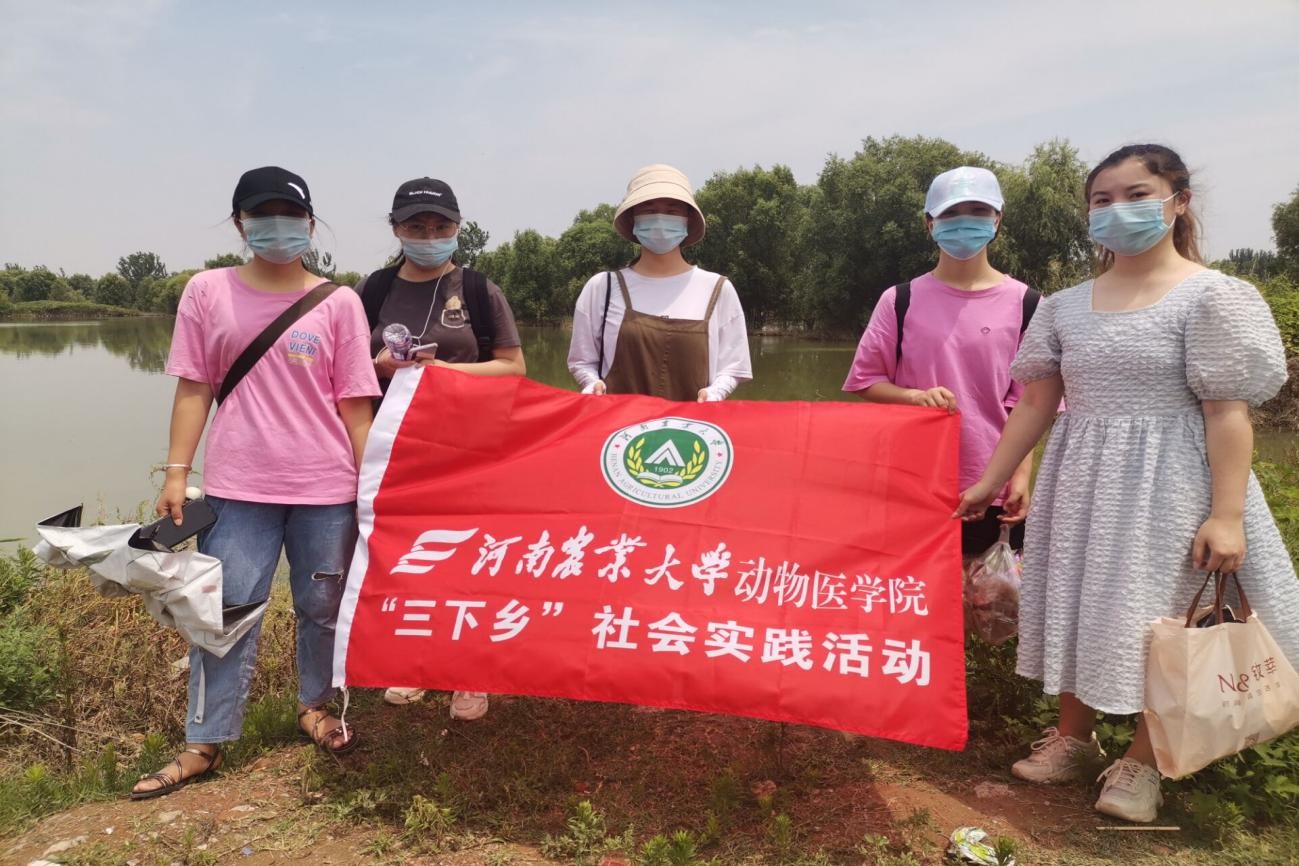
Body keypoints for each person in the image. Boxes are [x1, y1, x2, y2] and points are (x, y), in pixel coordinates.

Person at [955, 144, 1299, 823]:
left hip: (1173, 486)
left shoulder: (1213, 296)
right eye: (1102, 200)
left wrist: (1227, 514)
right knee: (1080, 603)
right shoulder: (1063, 306)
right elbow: (1035, 402)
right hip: (1082, 483)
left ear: (1179, 201)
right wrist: (989, 480)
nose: (1117, 209)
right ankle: (1073, 740)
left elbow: (1226, 413)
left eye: (1136, 194)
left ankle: (1144, 762)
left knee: (1162, 616)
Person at [132, 166, 380, 799]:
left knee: (322, 607)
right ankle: (205, 741)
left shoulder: (340, 302)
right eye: (262, 215)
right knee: (225, 611)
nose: (277, 226)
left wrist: (372, 488)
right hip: (239, 487)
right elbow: (195, 387)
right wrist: (178, 472)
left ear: (311, 224)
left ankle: (315, 707)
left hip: (327, 489)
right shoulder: (207, 291)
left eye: (290, 215)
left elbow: (355, 403)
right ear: (240, 224)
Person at [357, 177, 525, 719]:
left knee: (470, 559)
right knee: (408, 558)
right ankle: (416, 663)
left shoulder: (477, 289)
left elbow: (512, 368)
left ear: (457, 228)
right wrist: (378, 364)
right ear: (396, 229)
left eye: (440, 226)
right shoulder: (371, 291)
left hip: (467, 450)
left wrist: (443, 372)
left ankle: (469, 673)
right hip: (395, 449)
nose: (429, 235)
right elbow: (345, 370)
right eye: (416, 226)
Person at [844, 166, 1037, 558]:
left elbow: (1029, 403)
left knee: (988, 594)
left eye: (978, 211)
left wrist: (1020, 475)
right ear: (929, 224)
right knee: (907, 589)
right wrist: (914, 397)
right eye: (951, 213)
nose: (964, 222)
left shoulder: (1027, 304)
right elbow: (866, 380)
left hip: (991, 484)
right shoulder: (899, 300)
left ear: (997, 219)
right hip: (910, 483)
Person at [567, 164, 751, 401]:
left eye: (672, 211)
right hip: (620, 423)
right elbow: (582, 361)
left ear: (687, 219)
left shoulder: (718, 289)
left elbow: (733, 366)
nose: (660, 218)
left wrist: (716, 392)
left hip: (689, 423)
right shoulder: (603, 288)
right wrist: (592, 383)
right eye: (649, 210)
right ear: (633, 219)